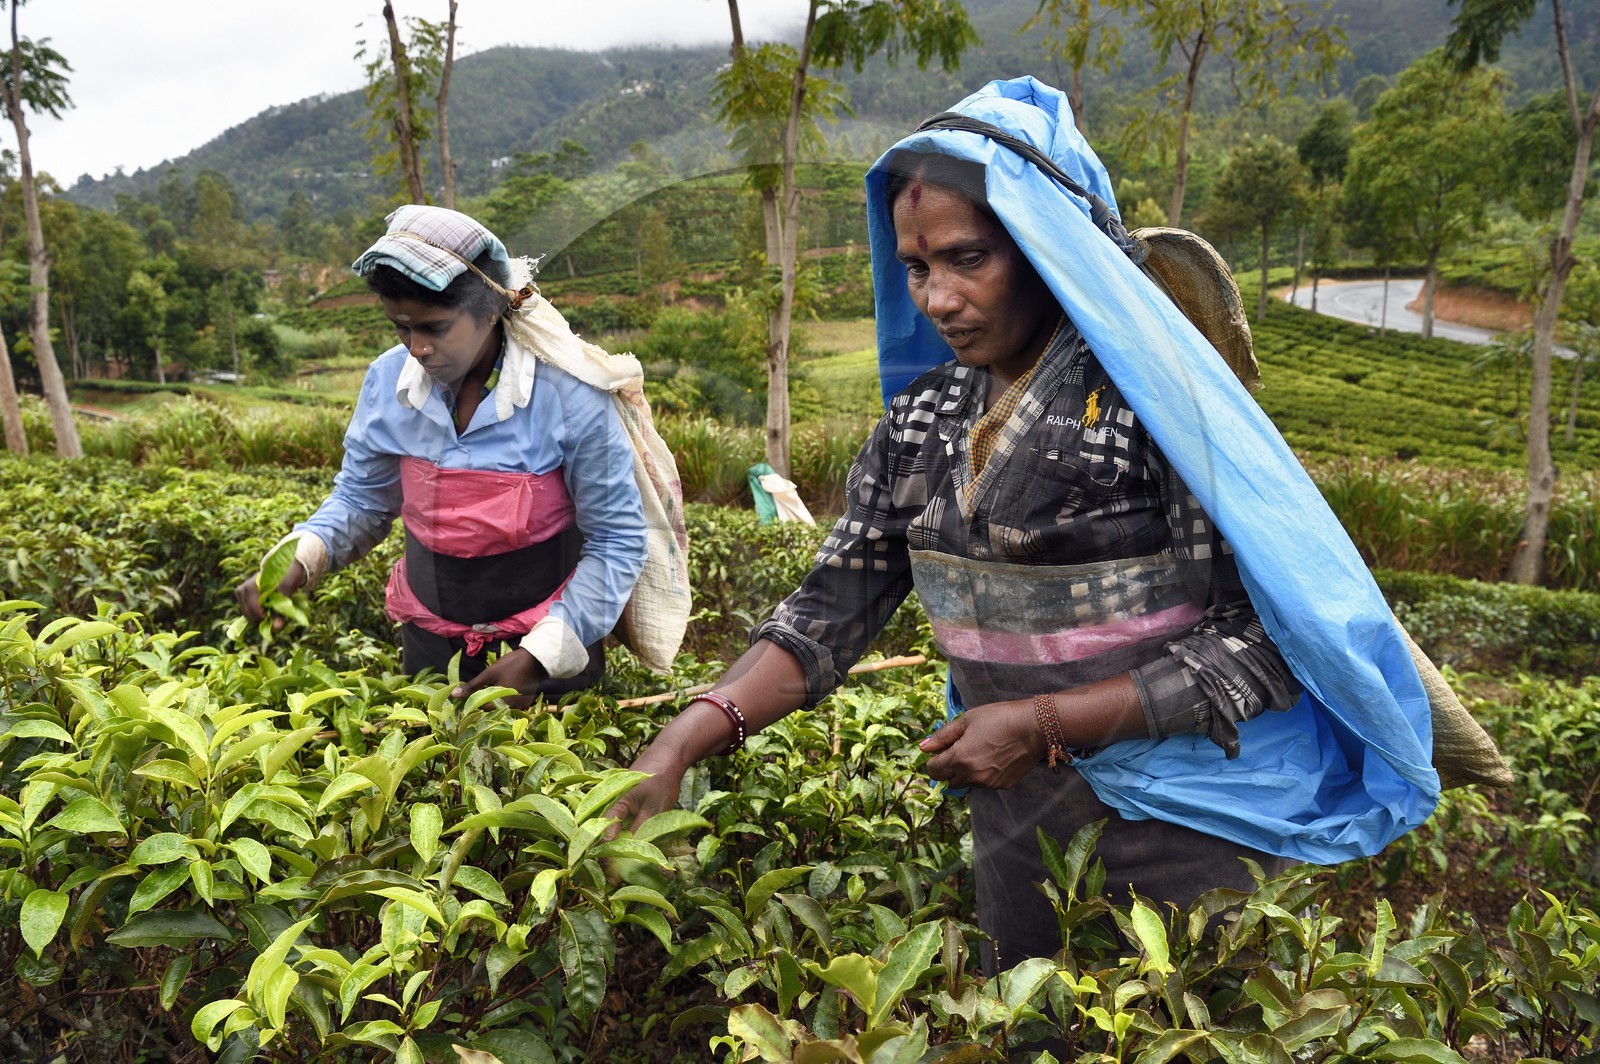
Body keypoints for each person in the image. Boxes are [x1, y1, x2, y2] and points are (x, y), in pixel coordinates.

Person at [608, 78, 1439, 976]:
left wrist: (1048, 719)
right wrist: (686, 735)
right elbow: (829, 611)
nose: (937, 297)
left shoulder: (1161, 414)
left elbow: (1271, 640)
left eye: (969, 259)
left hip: (1192, 825)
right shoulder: (922, 426)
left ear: (1049, 250)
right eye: (918, 268)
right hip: (1019, 822)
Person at [237, 205, 648, 701]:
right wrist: (296, 560)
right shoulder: (386, 382)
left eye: (434, 328)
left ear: (490, 310)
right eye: (401, 328)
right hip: (431, 642)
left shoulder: (568, 395)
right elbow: (363, 500)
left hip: (549, 644)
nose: (416, 348)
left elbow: (616, 538)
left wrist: (541, 655)